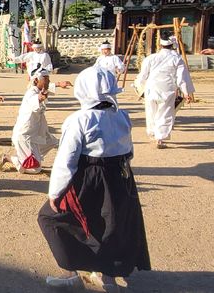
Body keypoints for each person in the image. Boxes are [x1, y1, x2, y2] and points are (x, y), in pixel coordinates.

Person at [38, 66, 150, 289]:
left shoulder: (80, 119)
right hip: (119, 176)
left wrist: (56, 192)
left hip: (88, 176)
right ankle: (107, 277)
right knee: (109, 224)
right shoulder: (122, 116)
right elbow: (129, 151)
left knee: (51, 217)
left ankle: (72, 270)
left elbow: (66, 159)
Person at [0, 66, 72, 174]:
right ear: (36, 80)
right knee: (35, 169)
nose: (48, 81)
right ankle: (8, 158)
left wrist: (59, 84)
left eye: (48, 78)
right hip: (25, 135)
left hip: (37, 133)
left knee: (53, 141)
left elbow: (45, 89)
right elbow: (35, 99)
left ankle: (30, 156)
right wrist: (40, 98)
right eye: (46, 79)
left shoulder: (39, 89)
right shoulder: (31, 94)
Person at [135, 36, 193, 149]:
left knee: (151, 111)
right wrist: (186, 92)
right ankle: (160, 137)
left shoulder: (151, 58)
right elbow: (181, 78)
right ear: (172, 46)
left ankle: (152, 132)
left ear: (160, 45)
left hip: (151, 87)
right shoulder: (177, 59)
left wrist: (139, 87)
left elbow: (142, 75)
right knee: (165, 112)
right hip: (167, 88)